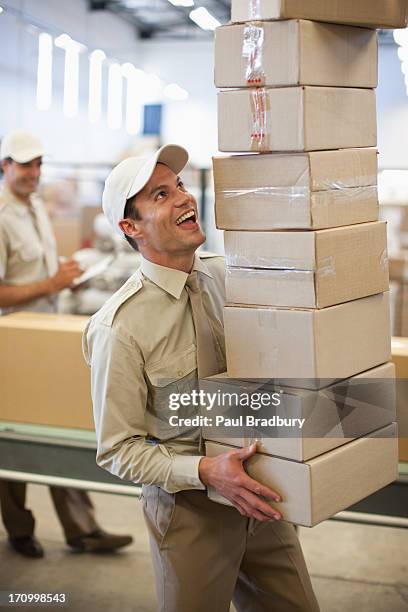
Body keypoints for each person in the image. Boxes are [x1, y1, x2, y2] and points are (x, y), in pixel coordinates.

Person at [83, 145, 320, 611]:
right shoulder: (120, 327)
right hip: (191, 510)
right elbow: (116, 449)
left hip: (261, 491)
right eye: (160, 194)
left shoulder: (226, 277)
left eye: (181, 186)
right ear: (130, 227)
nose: (183, 199)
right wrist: (206, 471)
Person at [0, 130, 133, 558]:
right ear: (5, 167)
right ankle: (20, 531)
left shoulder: (34, 206)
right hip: (13, 344)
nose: (34, 174)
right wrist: (51, 282)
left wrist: (65, 272)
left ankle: (82, 528)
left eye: (38, 165)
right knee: (14, 433)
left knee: (58, 426)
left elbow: (35, 269)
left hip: (43, 329)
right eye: (25, 166)